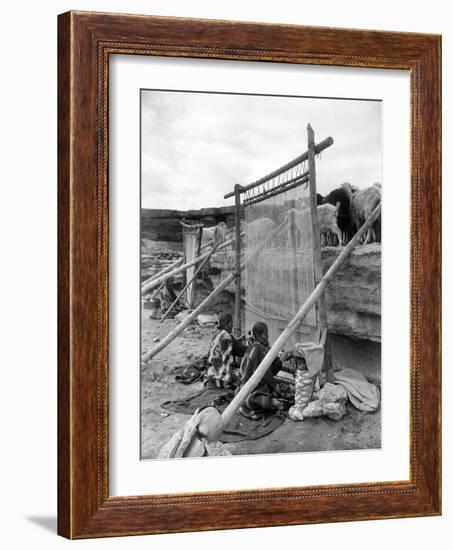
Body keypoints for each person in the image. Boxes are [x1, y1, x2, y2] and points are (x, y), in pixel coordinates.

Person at [237, 322, 291, 419]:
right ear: (258, 336)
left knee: (246, 399)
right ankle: (273, 403)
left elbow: (269, 370)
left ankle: (270, 401)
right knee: (255, 400)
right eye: (265, 334)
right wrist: (276, 387)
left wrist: (281, 360)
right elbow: (266, 373)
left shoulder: (253, 347)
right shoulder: (259, 349)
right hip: (250, 388)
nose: (268, 336)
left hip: (243, 388)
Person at [206, 313, 245, 388]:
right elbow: (240, 351)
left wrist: (238, 340)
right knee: (245, 378)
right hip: (219, 377)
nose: (232, 326)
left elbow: (233, 345)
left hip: (210, 372)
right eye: (231, 324)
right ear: (229, 324)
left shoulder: (218, 333)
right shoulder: (226, 337)